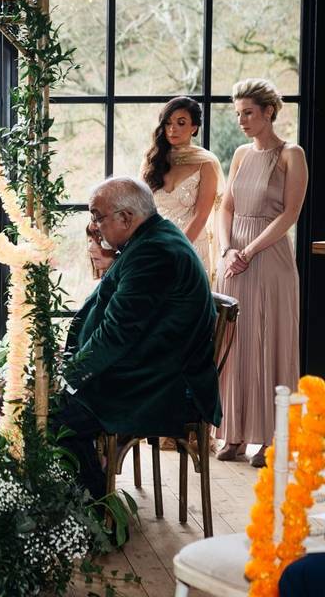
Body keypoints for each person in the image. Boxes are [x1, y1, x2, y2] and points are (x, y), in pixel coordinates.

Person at [56, 177, 219, 501]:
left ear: (126, 218)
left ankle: (94, 508)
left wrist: (70, 377)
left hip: (161, 385)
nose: (95, 226)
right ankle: (85, 500)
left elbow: (117, 333)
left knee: (55, 415)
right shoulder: (152, 239)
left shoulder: (154, 253)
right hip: (149, 368)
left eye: (98, 216)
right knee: (52, 403)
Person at [214, 78, 307, 468]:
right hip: (234, 258)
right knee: (233, 346)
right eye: (237, 114)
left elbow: (290, 214)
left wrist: (249, 251)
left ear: (269, 112)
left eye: (248, 112)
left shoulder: (291, 154)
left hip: (269, 259)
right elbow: (226, 208)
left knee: (269, 344)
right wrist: (226, 250)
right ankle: (232, 434)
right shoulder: (239, 155)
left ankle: (270, 439)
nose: (241, 120)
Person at [141, 97, 224, 284]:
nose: (173, 128)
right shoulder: (152, 160)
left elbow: (202, 215)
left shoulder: (206, 163)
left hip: (190, 244)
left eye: (181, 123)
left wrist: (176, 247)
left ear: (194, 128)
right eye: (168, 123)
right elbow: (141, 207)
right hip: (156, 244)